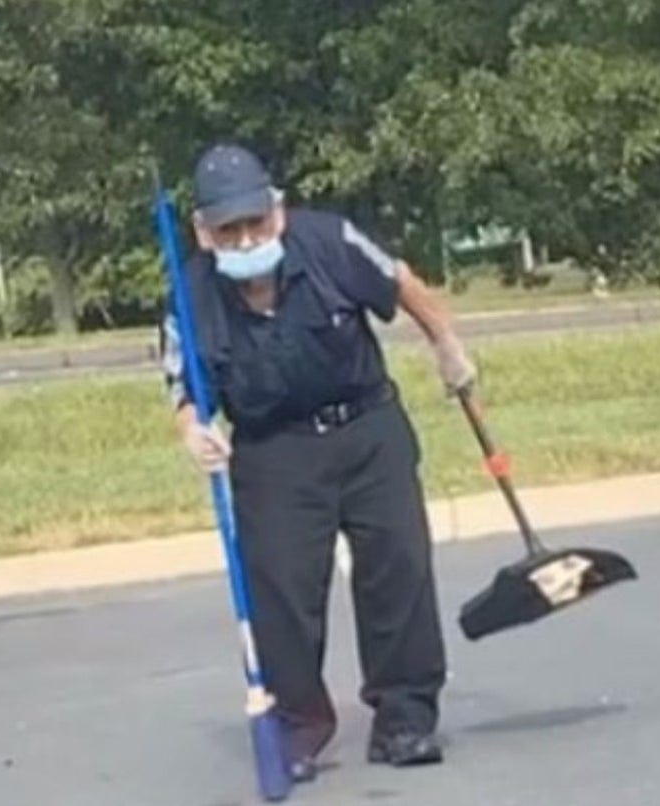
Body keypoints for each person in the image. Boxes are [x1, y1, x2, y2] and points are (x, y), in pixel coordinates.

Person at [160, 143, 477, 781]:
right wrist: (192, 430)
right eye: (228, 229)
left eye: (255, 221)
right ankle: (300, 725)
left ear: (278, 211)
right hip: (275, 450)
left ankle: (405, 717)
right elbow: (182, 386)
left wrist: (447, 344)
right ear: (203, 231)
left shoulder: (330, 241)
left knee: (399, 564)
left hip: (367, 428)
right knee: (280, 585)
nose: (246, 237)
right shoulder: (190, 292)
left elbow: (401, 283)